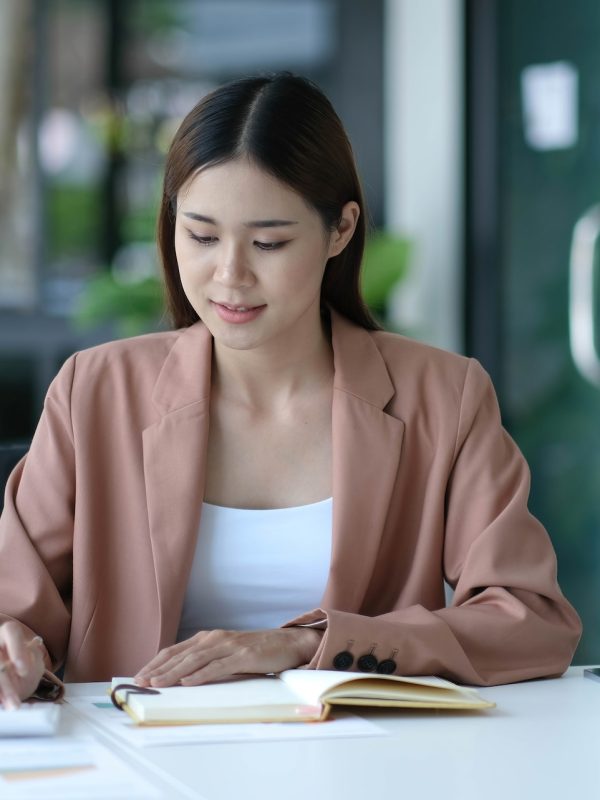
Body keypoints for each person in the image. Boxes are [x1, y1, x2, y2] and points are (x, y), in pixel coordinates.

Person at [0, 73, 581, 709]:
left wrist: (307, 646)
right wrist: (15, 648)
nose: (229, 275)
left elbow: (531, 622)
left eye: (269, 242)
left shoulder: (443, 396)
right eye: (200, 235)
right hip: (139, 759)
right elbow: (17, 610)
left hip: (357, 763)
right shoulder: (95, 391)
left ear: (341, 230)